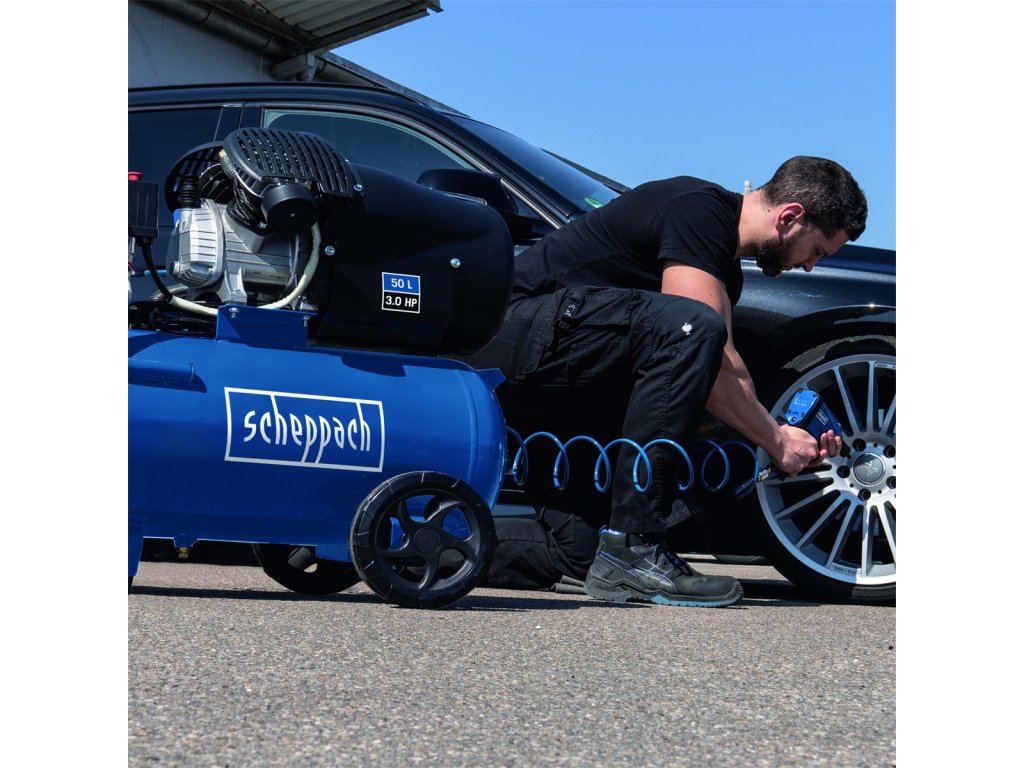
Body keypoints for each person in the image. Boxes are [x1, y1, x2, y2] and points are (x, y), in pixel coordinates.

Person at [464, 156, 866, 607]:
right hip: (509, 339)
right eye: (817, 251)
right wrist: (775, 439)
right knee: (694, 327)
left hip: (565, 389)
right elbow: (708, 353)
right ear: (789, 217)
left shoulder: (723, 269)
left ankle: (419, 540)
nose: (810, 266)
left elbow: (711, 377)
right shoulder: (699, 211)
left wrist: (782, 435)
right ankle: (634, 544)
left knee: (579, 553)